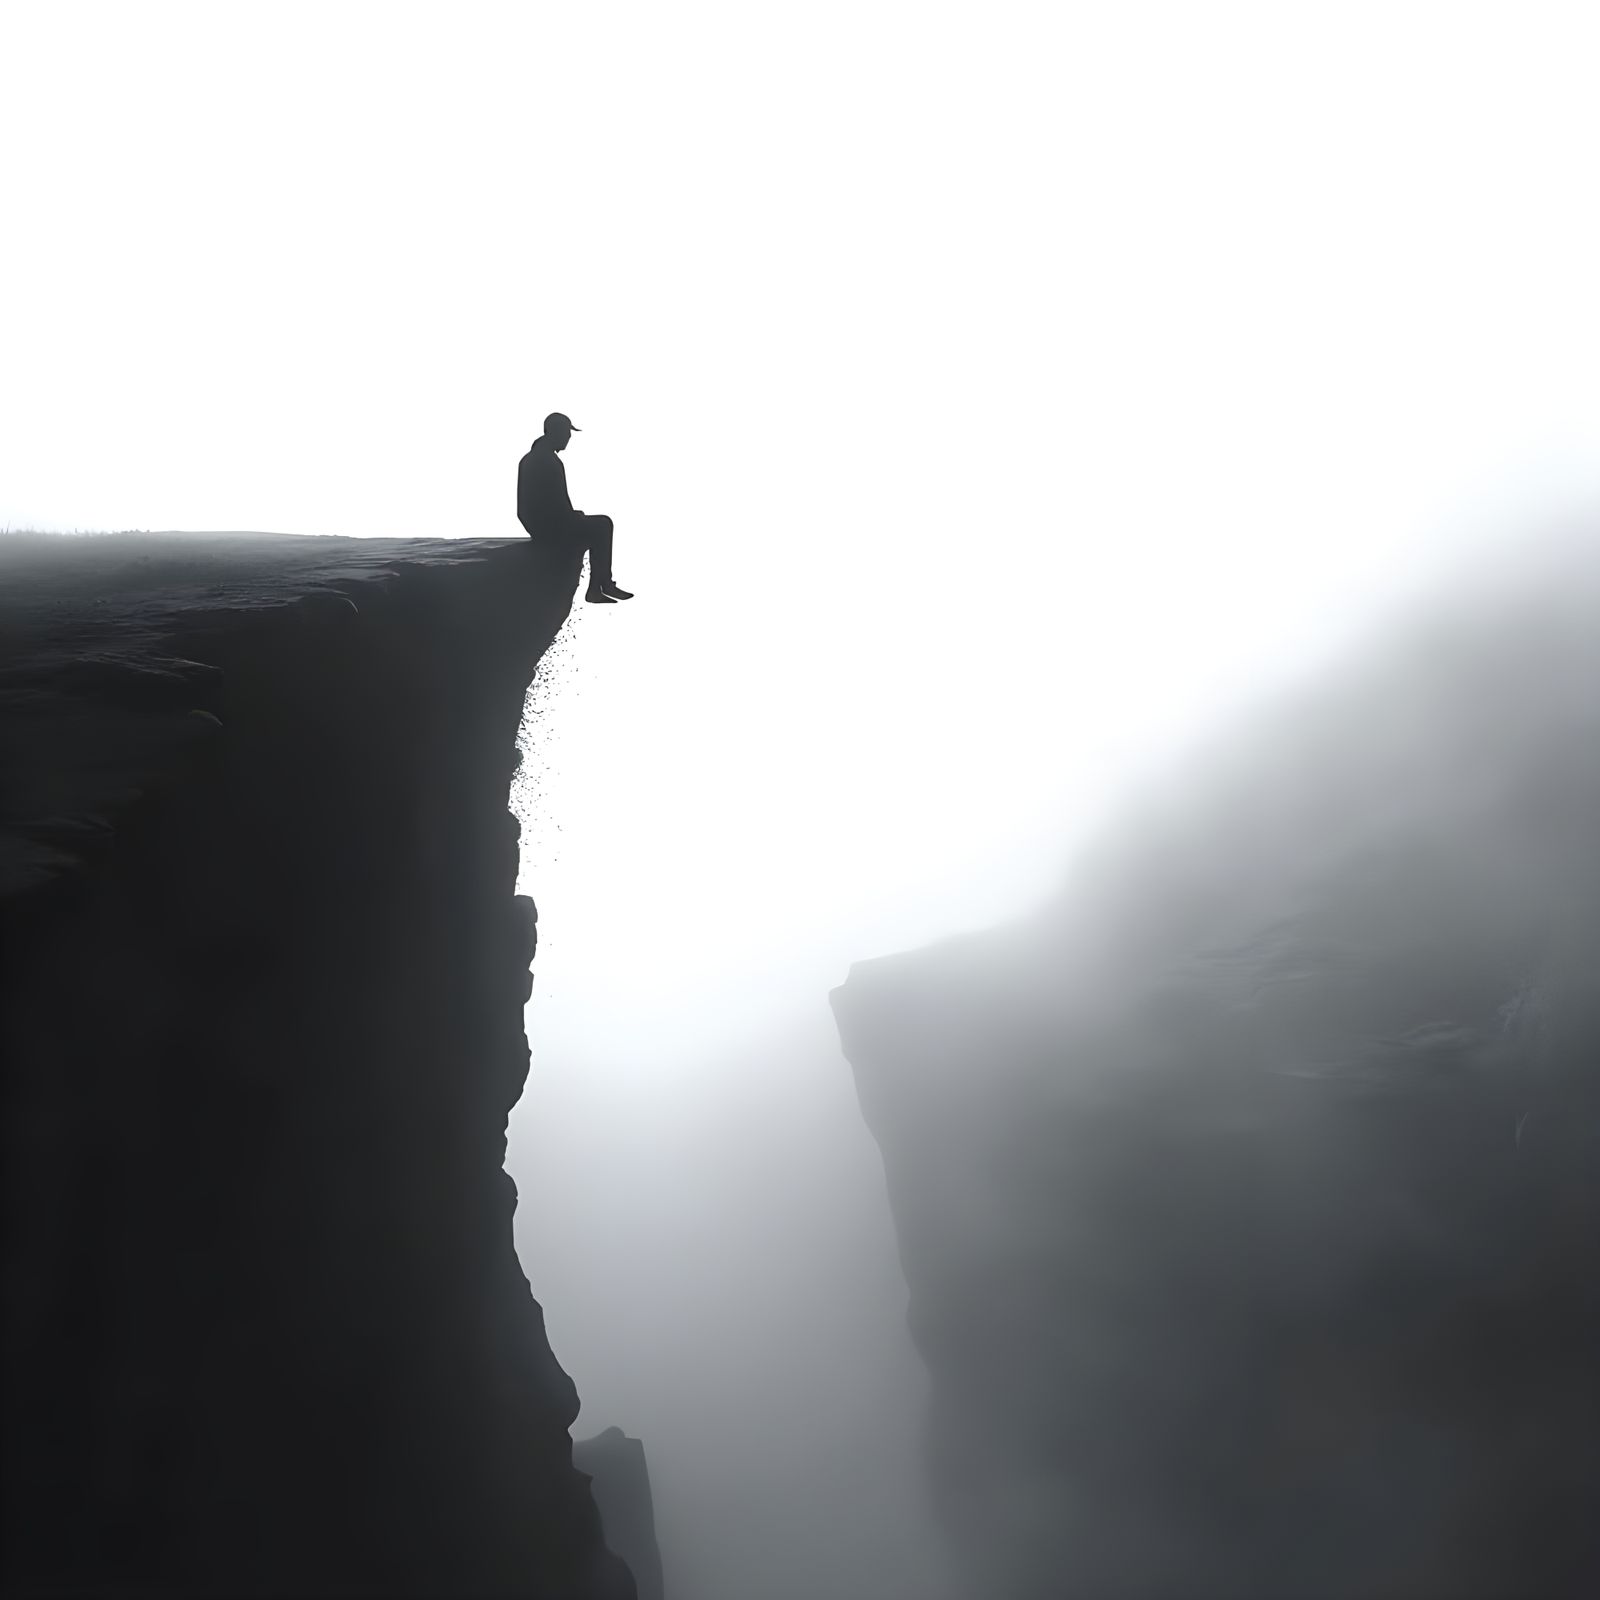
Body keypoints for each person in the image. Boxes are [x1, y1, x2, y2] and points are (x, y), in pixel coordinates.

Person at [517, 413, 633, 602]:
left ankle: (602, 586)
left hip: (539, 525)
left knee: (594, 523)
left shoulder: (531, 458)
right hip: (550, 528)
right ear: (555, 432)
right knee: (603, 525)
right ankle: (599, 587)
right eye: (566, 432)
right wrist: (572, 517)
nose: (569, 437)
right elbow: (557, 504)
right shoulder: (549, 461)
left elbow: (543, 504)